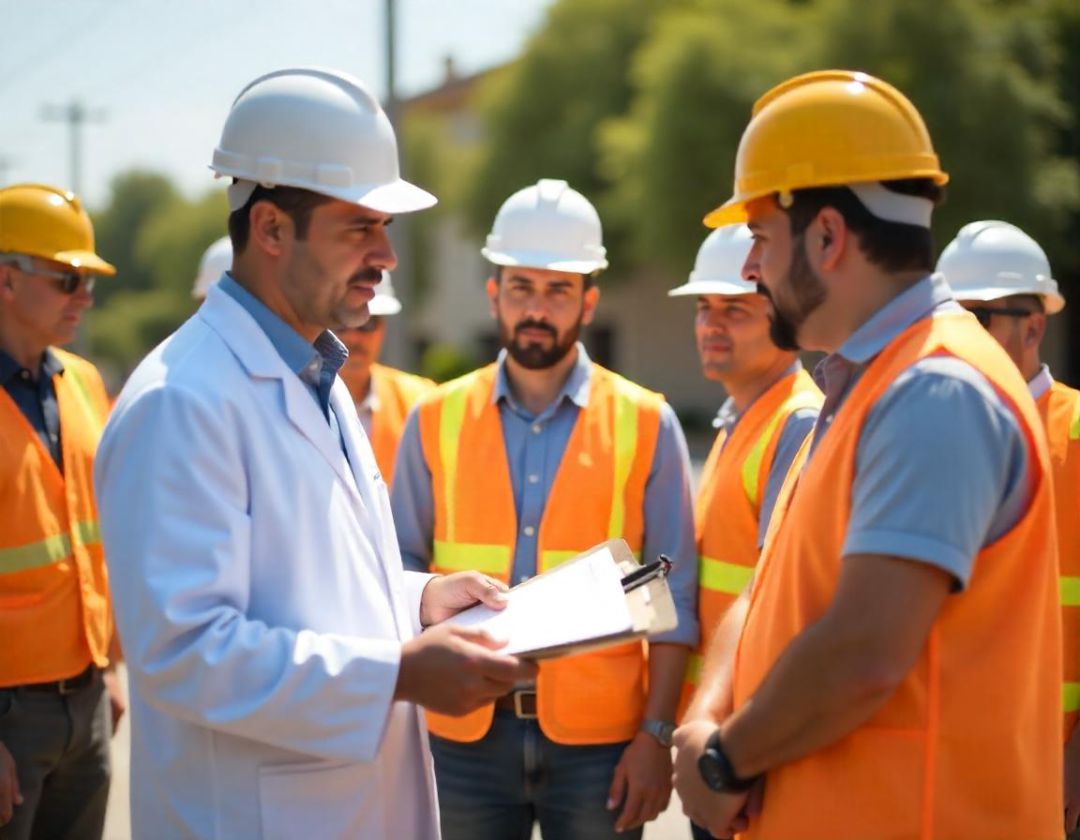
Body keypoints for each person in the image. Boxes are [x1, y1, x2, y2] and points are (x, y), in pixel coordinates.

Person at [93, 67, 535, 839]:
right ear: (269, 228)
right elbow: (183, 651)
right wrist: (398, 673)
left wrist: (419, 601)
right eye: (360, 227)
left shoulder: (314, 374)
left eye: (385, 230)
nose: (386, 256)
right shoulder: (180, 402)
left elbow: (309, 587)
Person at [672, 70, 1060, 839]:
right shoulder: (864, 384)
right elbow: (770, 588)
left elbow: (864, 651)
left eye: (759, 240)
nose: (750, 269)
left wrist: (726, 760)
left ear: (827, 235)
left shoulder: (935, 392)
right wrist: (705, 719)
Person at [391, 178, 698, 839]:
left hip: (601, 743)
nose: (538, 308)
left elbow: (676, 594)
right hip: (461, 735)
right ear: (493, 294)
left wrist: (656, 736)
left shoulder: (648, 422)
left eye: (558, 290)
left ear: (589, 302)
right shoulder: (434, 417)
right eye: (522, 287)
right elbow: (399, 569)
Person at [668, 224, 821, 840]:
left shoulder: (796, 422)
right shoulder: (741, 421)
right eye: (704, 307)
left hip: (747, 743)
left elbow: (779, 598)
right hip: (722, 735)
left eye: (735, 308)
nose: (711, 324)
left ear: (779, 314)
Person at [937, 219, 1080, 834]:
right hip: (940, 758)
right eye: (952, 318)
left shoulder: (1075, 430)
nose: (958, 338)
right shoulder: (930, 428)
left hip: (1051, 758)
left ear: (1035, 324)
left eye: (980, 317)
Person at [0, 183, 124, 839]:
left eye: (89, 281)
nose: (84, 296)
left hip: (88, 695)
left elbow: (97, 538)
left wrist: (111, 668)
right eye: (66, 278)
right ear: (6, 280)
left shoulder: (83, 382)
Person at [336, 272, 435, 485]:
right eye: (343, 323)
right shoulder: (294, 398)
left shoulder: (424, 400)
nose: (354, 337)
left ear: (383, 327)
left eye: (367, 324)